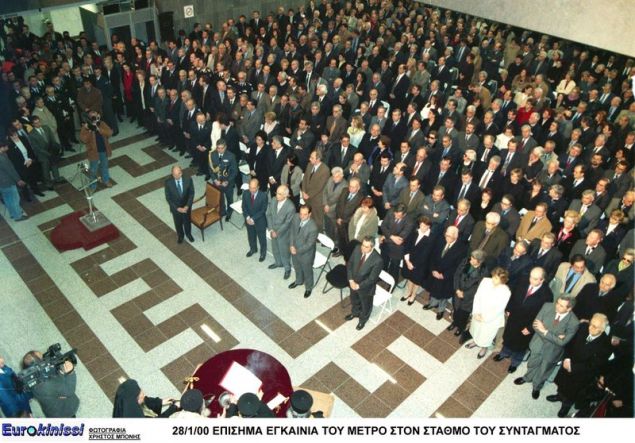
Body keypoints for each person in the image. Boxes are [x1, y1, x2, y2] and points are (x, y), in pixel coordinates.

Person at [514, 295, 580, 399]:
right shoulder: (547, 306)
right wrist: (555, 337)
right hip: (538, 344)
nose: (557, 306)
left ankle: (537, 386)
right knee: (532, 363)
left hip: (553, 351)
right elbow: (536, 325)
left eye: (561, 306)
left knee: (544, 370)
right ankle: (527, 378)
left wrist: (545, 330)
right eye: (557, 303)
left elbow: (562, 342)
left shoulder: (574, 322)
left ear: (569, 308)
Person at [547, 313, 612, 417]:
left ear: (602, 329)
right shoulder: (582, 327)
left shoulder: (606, 346)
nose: (590, 328)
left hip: (581, 373)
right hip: (568, 362)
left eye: (595, 327)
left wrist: (572, 367)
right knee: (562, 382)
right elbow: (569, 343)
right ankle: (559, 395)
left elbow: (593, 365)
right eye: (591, 324)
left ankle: (566, 406)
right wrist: (567, 358)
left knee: (572, 392)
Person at [495, 267, 553, 373]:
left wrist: (530, 328)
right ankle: (504, 353)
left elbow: (543, 316)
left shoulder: (547, 295)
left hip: (526, 324)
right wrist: (509, 308)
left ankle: (515, 362)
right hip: (514, 318)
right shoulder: (523, 280)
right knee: (508, 338)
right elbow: (513, 295)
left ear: (542, 280)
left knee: (520, 346)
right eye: (531, 277)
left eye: (535, 279)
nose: (531, 280)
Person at [465, 267, 512, 358]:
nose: (493, 279)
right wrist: (476, 312)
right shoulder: (485, 281)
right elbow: (477, 296)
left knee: (486, 335)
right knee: (476, 330)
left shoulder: (506, 291)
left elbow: (499, 309)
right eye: (493, 276)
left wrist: (485, 318)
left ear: (502, 280)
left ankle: (484, 348)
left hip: (491, 319)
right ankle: (475, 341)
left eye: (496, 278)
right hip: (478, 312)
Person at [424, 226, 467, 320]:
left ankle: (441, 310)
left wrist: (444, 275)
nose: (447, 238)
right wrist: (433, 269)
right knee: (433, 289)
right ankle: (433, 303)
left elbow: (458, 267)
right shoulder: (441, 240)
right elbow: (433, 255)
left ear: (456, 237)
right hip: (435, 272)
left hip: (447, 276)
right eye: (446, 235)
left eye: (450, 236)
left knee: (443, 294)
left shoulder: (462, 249)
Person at [21, 351, 79, 418]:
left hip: (51, 411)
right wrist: (71, 372)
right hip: (64, 412)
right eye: (43, 358)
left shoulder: (32, 380)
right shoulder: (46, 385)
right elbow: (69, 390)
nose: (46, 359)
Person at [345, 236, 384, 330]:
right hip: (353, 282)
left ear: (372, 247)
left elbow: (372, 279)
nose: (363, 248)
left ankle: (363, 320)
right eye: (363, 245)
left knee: (366, 305)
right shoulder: (357, 248)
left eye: (366, 247)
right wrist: (351, 280)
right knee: (354, 300)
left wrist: (358, 286)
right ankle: (355, 313)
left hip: (366, 288)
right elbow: (350, 264)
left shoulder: (378, 260)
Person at [450, 249, 488, 342]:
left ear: (479, 261)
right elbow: (457, 275)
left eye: (474, 259)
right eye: (471, 257)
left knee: (464, 314)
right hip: (458, 291)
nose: (471, 259)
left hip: (469, 298)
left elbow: (478, 287)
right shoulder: (465, 262)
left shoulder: (484, 271)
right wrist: (457, 289)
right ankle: (455, 322)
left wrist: (464, 294)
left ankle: (460, 327)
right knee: (456, 309)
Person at [400, 216, 434, 305]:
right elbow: (407, 245)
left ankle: (413, 295)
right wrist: (407, 261)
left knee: (416, 280)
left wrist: (413, 264)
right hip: (409, 260)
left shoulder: (431, 238)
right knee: (409, 277)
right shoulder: (414, 232)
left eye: (424, 226)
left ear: (429, 226)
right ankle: (408, 292)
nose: (422, 228)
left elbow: (425, 255)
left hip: (420, 265)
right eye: (421, 225)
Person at [379, 203, 414, 284]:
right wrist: (391, 236)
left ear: (404, 214)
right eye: (395, 213)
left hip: (398, 248)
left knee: (394, 268)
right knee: (383, 262)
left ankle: (392, 283)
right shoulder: (391, 211)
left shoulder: (410, 222)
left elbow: (399, 240)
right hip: (386, 244)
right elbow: (383, 226)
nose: (395, 216)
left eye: (398, 215)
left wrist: (385, 237)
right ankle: (380, 278)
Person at [266, 185, 296, 280]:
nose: (277, 195)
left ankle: (287, 268)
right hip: (273, 230)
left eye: (279, 194)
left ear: (285, 195)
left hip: (284, 233)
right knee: (275, 248)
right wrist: (271, 229)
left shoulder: (290, 207)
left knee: (284, 252)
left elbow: (287, 223)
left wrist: (277, 232)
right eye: (276, 193)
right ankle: (278, 263)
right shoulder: (273, 200)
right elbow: (268, 214)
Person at [289, 204, 319, 298]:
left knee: (307, 272)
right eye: (301, 214)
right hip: (294, 249)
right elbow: (292, 232)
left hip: (306, 254)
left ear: (309, 214)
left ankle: (308, 287)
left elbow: (309, 245)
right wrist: (291, 245)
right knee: (297, 267)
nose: (302, 216)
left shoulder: (313, 228)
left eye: (305, 214)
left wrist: (296, 250)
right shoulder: (296, 218)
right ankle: (299, 281)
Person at [79, 111, 113, 190]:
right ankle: (92, 184)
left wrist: (99, 129)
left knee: (104, 166)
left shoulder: (102, 124)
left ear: (98, 116)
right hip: (93, 152)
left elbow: (109, 133)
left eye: (95, 116)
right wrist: (89, 129)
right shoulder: (86, 127)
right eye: (92, 117)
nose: (94, 119)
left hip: (103, 149)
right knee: (93, 169)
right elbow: (83, 139)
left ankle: (106, 180)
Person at [301, 150, 330, 232]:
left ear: (318, 159)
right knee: (308, 217)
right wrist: (303, 191)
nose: (309, 159)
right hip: (306, 197)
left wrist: (308, 195)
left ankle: (318, 235)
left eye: (312, 158)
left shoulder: (325, 170)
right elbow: (305, 179)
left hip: (317, 199)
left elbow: (319, 186)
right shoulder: (309, 165)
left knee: (317, 220)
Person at [164, 165, 194, 244]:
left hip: (186, 207)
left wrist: (187, 206)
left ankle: (188, 234)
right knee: (178, 223)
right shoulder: (168, 182)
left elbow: (191, 194)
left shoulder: (188, 179)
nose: (177, 176)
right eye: (174, 175)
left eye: (179, 174)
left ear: (181, 172)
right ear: (172, 173)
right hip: (176, 208)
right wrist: (177, 208)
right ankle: (180, 236)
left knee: (187, 221)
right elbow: (168, 198)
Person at [209, 138, 237, 221]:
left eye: (222, 148)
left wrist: (228, 181)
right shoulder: (212, 155)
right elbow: (210, 169)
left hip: (227, 182)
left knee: (229, 198)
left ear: (225, 147)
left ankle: (229, 211)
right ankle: (222, 211)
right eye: (218, 148)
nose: (220, 150)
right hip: (217, 182)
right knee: (219, 198)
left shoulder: (231, 156)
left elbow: (234, 171)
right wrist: (214, 180)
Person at [0, 139, 28, 221]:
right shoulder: (2, 158)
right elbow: (10, 170)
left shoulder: (3, 155)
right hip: (7, 182)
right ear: (1, 147)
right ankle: (18, 216)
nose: (7, 148)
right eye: (6, 146)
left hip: (2, 183)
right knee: (14, 199)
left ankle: (13, 213)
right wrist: (18, 180)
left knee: (8, 199)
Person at [242, 178, 268, 261]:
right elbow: (244, 207)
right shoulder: (245, 193)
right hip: (248, 220)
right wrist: (247, 217)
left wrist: (253, 219)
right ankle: (253, 249)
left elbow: (263, 210)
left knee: (262, 239)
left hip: (260, 221)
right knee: (251, 236)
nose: (251, 190)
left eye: (254, 188)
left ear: (258, 187)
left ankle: (263, 253)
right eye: (250, 187)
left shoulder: (263, 196)